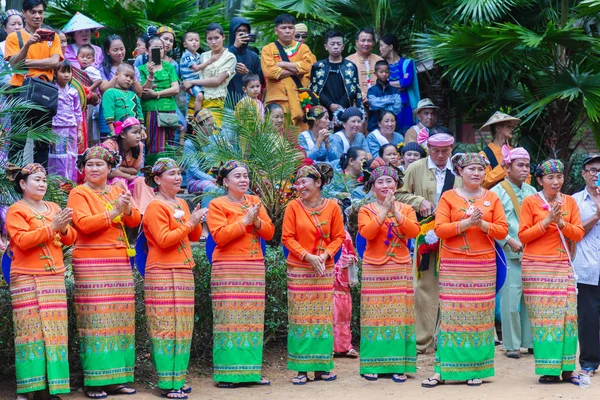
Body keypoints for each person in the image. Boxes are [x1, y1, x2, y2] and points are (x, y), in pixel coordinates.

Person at [421, 153, 508, 388]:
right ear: (460, 171)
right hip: (454, 265)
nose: (476, 173)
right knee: (451, 317)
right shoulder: (449, 197)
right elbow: (440, 229)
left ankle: (476, 369)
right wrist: (466, 224)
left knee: (479, 318)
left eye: (481, 169)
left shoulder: (492, 198)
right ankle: (442, 370)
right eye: (471, 168)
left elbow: (501, 230)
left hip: (483, 266)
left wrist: (482, 224)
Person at [67, 145, 141, 398]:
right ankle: (95, 381)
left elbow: (134, 220)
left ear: (110, 168)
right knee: (95, 320)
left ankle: (116, 379)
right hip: (91, 262)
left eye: (100, 164)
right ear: (83, 169)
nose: (94, 168)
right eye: (90, 164)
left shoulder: (118, 189)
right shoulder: (79, 192)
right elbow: (84, 225)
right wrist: (114, 212)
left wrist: (127, 208)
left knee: (120, 320)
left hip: (119, 260)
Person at [5, 163, 76, 400]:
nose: (42, 184)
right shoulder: (16, 210)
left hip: (53, 277)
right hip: (26, 276)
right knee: (29, 333)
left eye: (44, 179)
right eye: (37, 179)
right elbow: (23, 241)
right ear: (23, 184)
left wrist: (63, 227)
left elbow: (70, 238)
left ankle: (51, 389)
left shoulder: (53, 207)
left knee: (55, 333)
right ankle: (28, 389)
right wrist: (52, 226)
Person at [142, 158, 207, 399]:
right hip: (162, 271)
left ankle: (178, 377)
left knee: (183, 326)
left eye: (179, 173)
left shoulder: (180, 202)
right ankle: (167, 383)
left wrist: (197, 221)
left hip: (182, 269)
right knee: (165, 326)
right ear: (157, 180)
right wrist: (190, 222)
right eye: (171, 173)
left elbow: (192, 237)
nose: (178, 177)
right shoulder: (155, 207)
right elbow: (164, 240)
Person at [206, 161, 275, 388]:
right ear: (226, 181)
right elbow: (219, 237)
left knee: (252, 320)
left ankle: (251, 372)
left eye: (245, 176)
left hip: (253, 264)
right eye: (237, 176)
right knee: (229, 321)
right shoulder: (217, 204)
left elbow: (270, 232)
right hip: (228, 266)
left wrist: (255, 221)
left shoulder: (255, 202)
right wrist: (244, 221)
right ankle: (228, 374)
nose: (243, 180)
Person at [518, 159, 584, 384]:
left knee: (568, 318)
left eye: (560, 177)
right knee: (545, 320)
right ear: (539, 180)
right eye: (550, 178)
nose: (556, 182)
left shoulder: (570, 202)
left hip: (562, 265)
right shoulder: (529, 202)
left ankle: (567, 369)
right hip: (536, 267)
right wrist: (547, 220)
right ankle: (548, 369)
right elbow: (524, 237)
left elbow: (578, 234)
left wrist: (562, 224)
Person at [395, 133, 460, 353]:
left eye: (445, 151)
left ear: (451, 148)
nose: (440, 155)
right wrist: (418, 200)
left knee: (451, 286)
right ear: (428, 149)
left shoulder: (459, 170)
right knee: (424, 287)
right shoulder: (415, 168)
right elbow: (399, 194)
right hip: (425, 234)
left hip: (454, 235)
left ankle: (445, 339)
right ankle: (421, 341)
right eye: (435, 151)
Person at [282, 164, 345, 385]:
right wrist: (308, 257)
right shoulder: (292, 207)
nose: (300, 186)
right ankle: (301, 368)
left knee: (322, 318)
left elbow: (338, 237)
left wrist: (325, 256)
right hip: (300, 269)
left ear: (318, 183)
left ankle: (321, 367)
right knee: (300, 319)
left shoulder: (333, 208)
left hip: (324, 268)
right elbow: (287, 238)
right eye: (298, 183)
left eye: (304, 182)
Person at [358, 166, 420, 382]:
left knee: (398, 316)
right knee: (374, 316)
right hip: (375, 267)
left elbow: (414, 232)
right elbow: (367, 233)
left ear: (397, 184)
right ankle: (372, 364)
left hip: (400, 266)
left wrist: (395, 211)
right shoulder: (365, 210)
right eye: (380, 182)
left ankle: (397, 365)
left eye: (389, 181)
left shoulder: (407, 208)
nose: (385, 186)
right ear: (373, 186)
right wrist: (384, 210)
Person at [490, 146, 536, 359]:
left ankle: (530, 341)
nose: (525, 170)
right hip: (508, 253)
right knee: (509, 301)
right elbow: (491, 223)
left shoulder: (532, 191)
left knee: (531, 301)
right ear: (507, 167)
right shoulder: (496, 192)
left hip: (532, 253)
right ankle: (511, 345)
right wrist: (508, 240)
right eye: (520, 165)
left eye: (527, 165)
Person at [5, 0, 63, 167]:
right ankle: (14, 187)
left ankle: (40, 185)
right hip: (20, 90)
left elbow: (54, 63)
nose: (37, 16)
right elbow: (15, 65)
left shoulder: (53, 37)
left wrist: (27, 63)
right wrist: (29, 44)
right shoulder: (14, 37)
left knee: (42, 144)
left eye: (40, 12)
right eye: (33, 12)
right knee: (17, 142)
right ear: (24, 13)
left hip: (45, 91)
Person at [572, 154, 600, 381]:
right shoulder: (574, 201)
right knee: (588, 318)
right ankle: (589, 362)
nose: (596, 174)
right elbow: (575, 233)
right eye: (592, 170)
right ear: (583, 174)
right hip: (587, 267)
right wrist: (597, 215)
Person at [261, 14, 316, 130]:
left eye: (290, 28)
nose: (287, 31)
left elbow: (308, 67)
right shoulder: (268, 49)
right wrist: (298, 71)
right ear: (276, 31)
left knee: (300, 142)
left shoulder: (303, 48)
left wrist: (282, 64)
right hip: (278, 102)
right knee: (278, 140)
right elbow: (269, 72)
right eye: (283, 28)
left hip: (301, 102)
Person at [181, 23, 236, 124]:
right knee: (192, 134)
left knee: (212, 134)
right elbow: (190, 72)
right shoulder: (203, 55)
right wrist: (186, 85)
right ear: (206, 40)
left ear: (223, 37)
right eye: (210, 39)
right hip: (196, 98)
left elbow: (217, 81)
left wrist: (192, 82)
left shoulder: (230, 57)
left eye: (216, 38)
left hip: (214, 100)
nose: (213, 42)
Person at [139, 36, 180, 163]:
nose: (159, 51)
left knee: (170, 144)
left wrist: (156, 94)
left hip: (169, 111)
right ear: (146, 51)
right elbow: (144, 92)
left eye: (161, 48)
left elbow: (176, 89)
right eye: (155, 48)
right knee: (153, 145)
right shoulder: (141, 69)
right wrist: (150, 75)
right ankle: (153, 177)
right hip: (151, 111)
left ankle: (170, 174)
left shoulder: (169, 67)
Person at [103, 117, 155, 213]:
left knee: (142, 181)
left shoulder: (139, 146)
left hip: (128, 179)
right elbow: (107, 172)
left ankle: (145, 213)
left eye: (139, 132)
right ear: (123, 134)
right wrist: (128, 175)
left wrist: (119, 169)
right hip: (107, 182)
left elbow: (135, 170)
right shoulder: (110, 145)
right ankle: (133, 213)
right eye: (134, 133)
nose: (138, 136)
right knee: (120, 181)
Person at [99, 35, 143, 138]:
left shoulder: (133, 68)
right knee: (110, 142)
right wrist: (118, 75)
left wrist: (131, 74)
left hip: (129, 111)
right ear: (107, 51)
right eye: (115, 50)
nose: (119, 53)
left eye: (122, 49)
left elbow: (139, 93)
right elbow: (104, 90)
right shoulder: (103, 68)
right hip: (109, 110)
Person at [310, 31, 363, 114]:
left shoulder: (350, 67)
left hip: (345, 110)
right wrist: (330, 104)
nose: (335, 47)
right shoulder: (318, 67)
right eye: (332, 44)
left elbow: (353, 89)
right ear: (326, 46)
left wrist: (340, 106)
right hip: (323, 111)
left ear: (343, 46)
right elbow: (315, 89)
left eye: (338, 44)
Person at [379, 33, 419, 134]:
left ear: (390, 47)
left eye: (381, 45)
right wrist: (398, 84)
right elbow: (380, 84)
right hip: (388, 108)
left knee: (408, 134)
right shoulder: (381, 65)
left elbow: (406, 82)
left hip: (406, 107)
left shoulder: (407, 63)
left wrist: (388, 83)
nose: (380, 49)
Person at [49, 60, 81, 183]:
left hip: (71, 127)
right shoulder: (52, 90)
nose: (66, 75)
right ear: (56, 73)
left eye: (69, 72)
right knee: (58, 156)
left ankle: (70, 184)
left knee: (71, 155)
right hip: (57, 127)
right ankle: (57, 185)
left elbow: (78, 112)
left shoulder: (73, 91)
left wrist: (79, 130)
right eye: (63, 72)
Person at [479, 111, 525, 189]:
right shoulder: (484, 154)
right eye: (508, 126)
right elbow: (482, 182)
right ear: (498, 128)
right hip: (494, 198)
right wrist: (501, 167)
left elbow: (526, 176)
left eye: (511, 126)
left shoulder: (514, 151)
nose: (512, 129)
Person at [333, 231, 359, 359]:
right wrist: (339, 263)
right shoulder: (324, 229)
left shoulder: (346, 235)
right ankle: (330, 347)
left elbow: (353, 254)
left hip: (343, 282)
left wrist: (350, 259)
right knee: (330, 314)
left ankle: (346, 346)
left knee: (344, 314)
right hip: (328, 279)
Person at [102, 63, 145, 135]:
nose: (128, 79)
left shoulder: (133, 95)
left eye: (131, 78)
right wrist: (113, 131)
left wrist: (142, 129)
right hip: (117, 131)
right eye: (126, 75)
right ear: (116, 74)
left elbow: (139, 113)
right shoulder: (109, 92)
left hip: (134, 134)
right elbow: (108, 112)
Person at [227, 17, 263, 102]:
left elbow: (260, 79)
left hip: (247, 103)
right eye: (239, 31)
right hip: (226, 101)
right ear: (233, 33)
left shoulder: (253, 56)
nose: (242, 33)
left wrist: (248, 73)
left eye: (245, 31)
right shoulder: (224, 51)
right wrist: (235, 47)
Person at [346, 28, 382, 101]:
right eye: (363, 40)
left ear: (373, 43)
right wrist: (362, 95)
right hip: (356, 104)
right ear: (356, 42)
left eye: (369, 40)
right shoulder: (348, 61)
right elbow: (346, 84)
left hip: (379, 102)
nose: (366, 43)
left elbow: (385, 82)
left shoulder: (380, 60)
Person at [367, 60, 402, 132]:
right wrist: (391, 100)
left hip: (392, 128)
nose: (384, 74)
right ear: (375, 73)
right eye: (381, 72)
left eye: (386, 72)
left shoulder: (395, 90)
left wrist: (380, 104)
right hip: (375, 127)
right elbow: (374, 105)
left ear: (389, 73)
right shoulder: (371, 91)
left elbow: (397, 108)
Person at [179, 31, 205, 115]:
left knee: (192, 99)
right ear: (185, 44)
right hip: (190, 82)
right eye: (191, 40)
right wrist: (209, 62)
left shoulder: (197, 55)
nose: (194, 42)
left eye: (196, 40)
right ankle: (197, 116)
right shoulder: (187, 55)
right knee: (199, 96)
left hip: (196, 81)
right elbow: (196, 68)